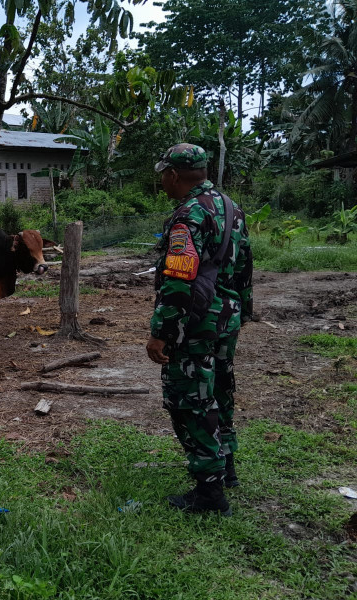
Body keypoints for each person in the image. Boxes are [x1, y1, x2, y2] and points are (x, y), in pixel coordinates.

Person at [146, 143, 253, 516]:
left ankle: (210, 493)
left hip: (196, 323)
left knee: (190, 400)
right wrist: (244, 309)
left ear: (173, 175)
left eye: (163, 174)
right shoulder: (230, 207)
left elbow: (178, 280)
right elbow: (244, 266)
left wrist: (161, 331)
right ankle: (228, 468)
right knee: (220, 388)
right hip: (227, 317)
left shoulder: (187, 216)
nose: (161, 181)